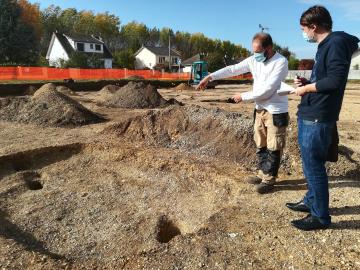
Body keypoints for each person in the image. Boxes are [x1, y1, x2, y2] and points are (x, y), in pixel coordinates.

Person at [286, 5, 359, 231]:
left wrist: (305, 91)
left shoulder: (335, 43)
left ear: (313, 26)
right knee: (309, 165)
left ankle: (320, 216)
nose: (303, 33)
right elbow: (325, 79)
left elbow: (334, 81)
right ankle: (311, 200)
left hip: (317, 116)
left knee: (314, 166)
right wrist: (307, 84)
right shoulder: (327, 44)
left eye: (303, 29)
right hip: (312, 112)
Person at [197, 33, 289, 194]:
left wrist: (243, 96)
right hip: (259, 109)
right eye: (254, 51)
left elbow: (267, 90)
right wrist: (210, 77)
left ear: (269, 48)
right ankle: (262, 173)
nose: (256, 55)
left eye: (259, 51)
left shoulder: (280, 62)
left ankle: (269, 179)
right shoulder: (254, 60)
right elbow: (233, 69)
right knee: (261, 143)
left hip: (275, 110)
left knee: (274, 145)